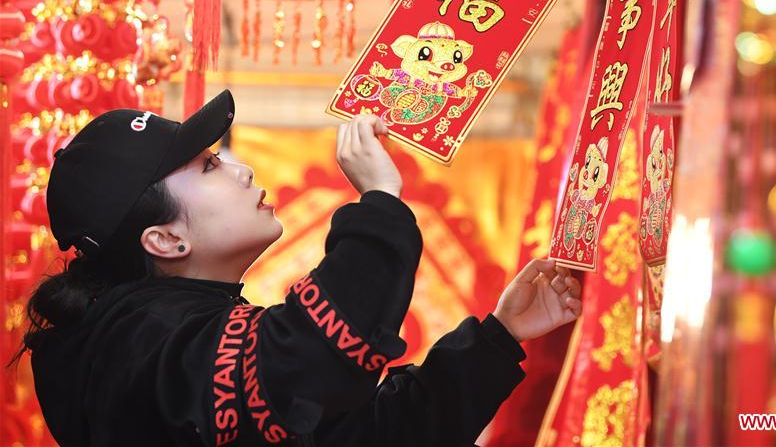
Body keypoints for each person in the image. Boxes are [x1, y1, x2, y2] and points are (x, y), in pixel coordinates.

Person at [18, 89, 582, 446]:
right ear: (164, 239)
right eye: (210, 165)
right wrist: (380, 201)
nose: (240, 172)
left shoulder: (188, 333)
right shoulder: (132, 345)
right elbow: (310, 357)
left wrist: (498, 338)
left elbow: (372, 435)